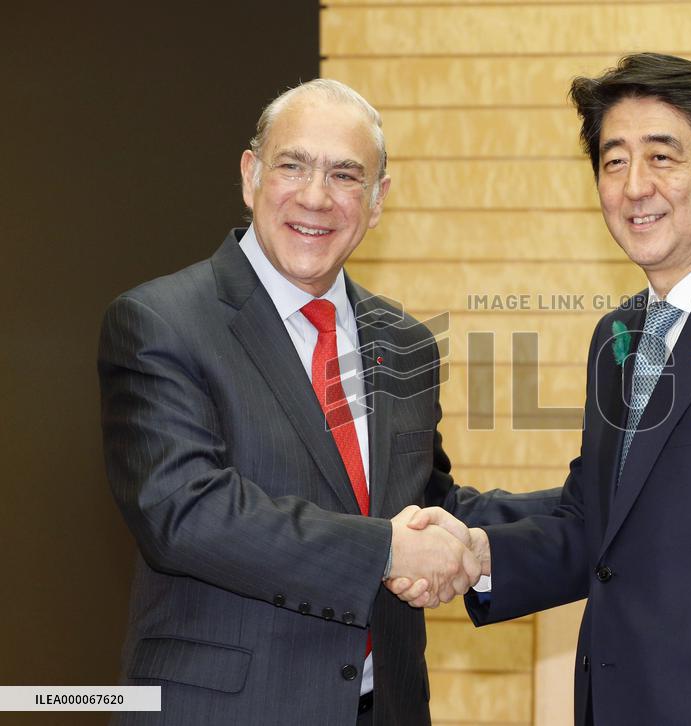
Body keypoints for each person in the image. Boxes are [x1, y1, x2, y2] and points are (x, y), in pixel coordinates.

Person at [392, 53, 691, 725]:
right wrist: (479, 555)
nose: (633, 186)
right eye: (614, 160)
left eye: (663, 158)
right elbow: (597, 524)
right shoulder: (618, 336)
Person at [98, 78, 556, 726]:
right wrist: (387, 551)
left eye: (346, 175)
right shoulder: (160, 321)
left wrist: (585, 506)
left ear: (377, 201)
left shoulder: (406, 343)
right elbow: (184, 513)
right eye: (293, 166)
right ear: (251, 174)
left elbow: (422, 509)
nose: (316, 197)